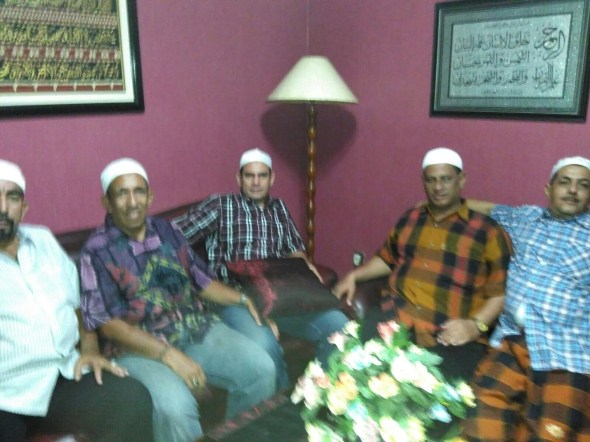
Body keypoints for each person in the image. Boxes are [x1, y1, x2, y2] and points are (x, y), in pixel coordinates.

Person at [79, 157, 276, 442]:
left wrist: (244, 299)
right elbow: (108, 325)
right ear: (106, 202)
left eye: (138, 191)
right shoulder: (96, 251)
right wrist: (169, 355)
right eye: (121, 193)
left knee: (261, 369)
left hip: (195, 329)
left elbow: (201, 281)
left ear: (150, 196)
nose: (132, 202)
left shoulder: (167, 231)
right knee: (176, 408)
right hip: (137, 349)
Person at [334, 147, 512, 437]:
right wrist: (355, 274)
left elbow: (500, 292)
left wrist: (475, 325)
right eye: (431, 180)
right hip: (393, 323)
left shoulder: (487, 231)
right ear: (424, 182)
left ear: (461, 180)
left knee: (423, 418)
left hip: (448, 336)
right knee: (349, 390)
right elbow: (387, 258)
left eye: (446, 179)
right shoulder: (411, 219)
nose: (438, 187)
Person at [0, 159, 153, 442]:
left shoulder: (42, 240)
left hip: (61, 374)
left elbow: (81, 304)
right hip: (6, 392)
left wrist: (90, 349)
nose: (2, 207)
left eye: (12, 197)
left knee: (133, 398)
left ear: (24, 207)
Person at [174, 147, 349, 390]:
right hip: (237, 299)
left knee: (340, 326)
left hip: (280, 296)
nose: (256, 182)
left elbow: (295, 251)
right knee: (264, 344)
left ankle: (318, 392)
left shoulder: (279, 209)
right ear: (239, 178)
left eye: (262, 175)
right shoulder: (221, 206)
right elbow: (171, 235)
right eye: (249, 175)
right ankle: (279, 405)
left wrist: (308, 275)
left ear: (271, 178)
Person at [463, 156, 590, 441]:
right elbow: (486, 208)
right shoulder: (524, 217)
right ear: (548, 189)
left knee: (552, 433)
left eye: (583, 186)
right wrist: (437, 206)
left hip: (566, 350)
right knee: (481, 423)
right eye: (565, 182)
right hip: (511, 340)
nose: (573, 190)